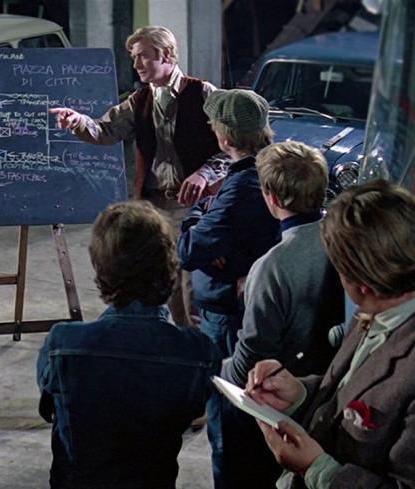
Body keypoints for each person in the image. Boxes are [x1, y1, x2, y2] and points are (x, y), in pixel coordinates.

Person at [248, 179, 415, 488]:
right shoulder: (382, 304)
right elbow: (352, 388)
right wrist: (298, 393)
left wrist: (317, 470)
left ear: (359, 282)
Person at [36, 200, 221, 489]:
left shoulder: (62, 344)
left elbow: (51, 409)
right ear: (169, 266)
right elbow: (194, 411)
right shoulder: (198, 353)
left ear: (101, 269)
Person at [50, 25, 221, 327]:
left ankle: (199, 344)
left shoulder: (203, 93)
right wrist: (78, 121)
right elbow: (106, 130)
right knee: (165, 280)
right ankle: (181, 338)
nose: (136, 64)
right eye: (134, 57)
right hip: (154, 206)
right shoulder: (139, 99)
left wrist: (204, 174)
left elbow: (233, 147)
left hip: (193, 206)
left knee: (192, 284)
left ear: (166, 54)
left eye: (143, 56)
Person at [218, 141, 346, 488]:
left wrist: (221, 371)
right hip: (336, 387)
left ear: (271, 197)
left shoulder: (273, 266)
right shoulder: (346, 239)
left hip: (284, 403)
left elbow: (253, 358)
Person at [176, 88, 279, 489]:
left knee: (229, 423)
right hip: (252, 306)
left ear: (224, 135)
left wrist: (198, 212)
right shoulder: (271, 165)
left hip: (228, 318)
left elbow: (191, 249)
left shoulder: (238, 187)